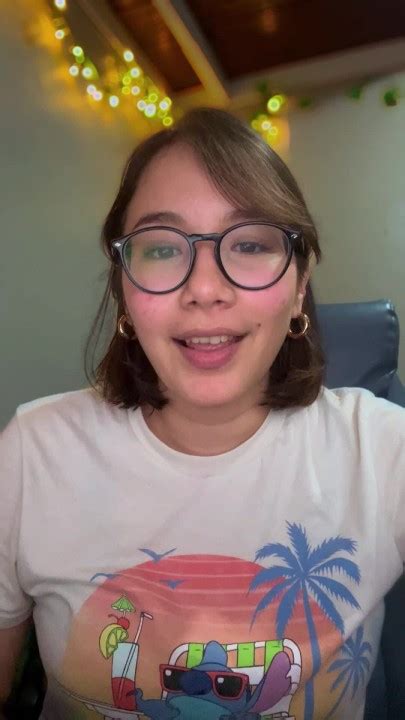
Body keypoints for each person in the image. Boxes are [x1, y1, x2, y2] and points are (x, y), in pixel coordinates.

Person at [0, 108, 404, 720]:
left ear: (300, 285)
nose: (206, 289)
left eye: (250, 244)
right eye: (163, 248)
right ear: (124, 290)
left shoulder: (383, 451)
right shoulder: (33, 452)